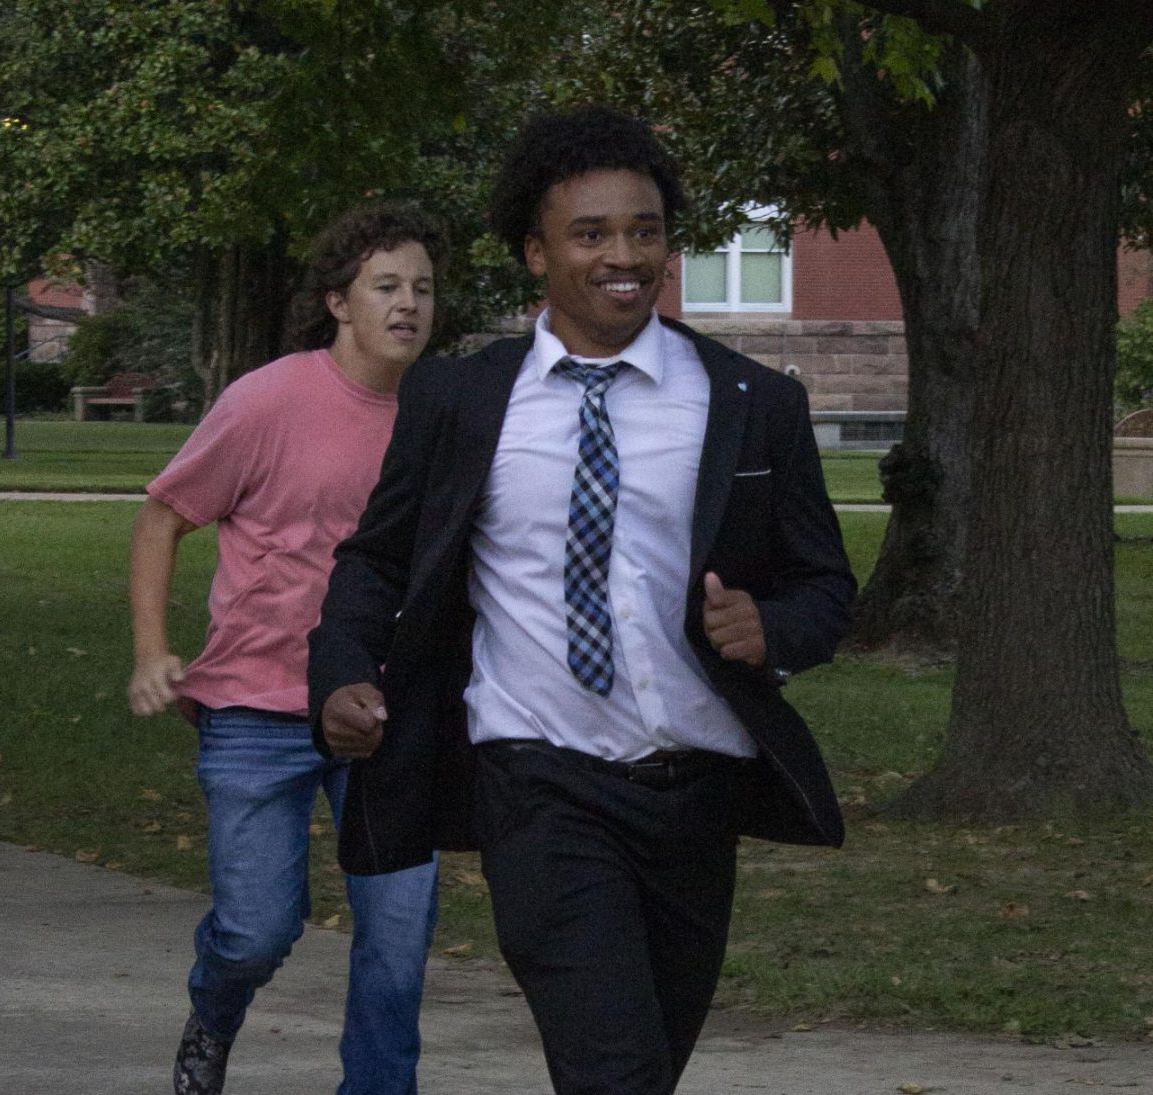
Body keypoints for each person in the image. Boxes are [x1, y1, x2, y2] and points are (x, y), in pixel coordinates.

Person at [308, 106, 856, 1095]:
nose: (625, 256)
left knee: (643, 1067)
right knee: (614, 1074)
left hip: (698, 791)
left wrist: (771, 630)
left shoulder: (747, 401)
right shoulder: (464, 400)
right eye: (592, 233)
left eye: (644, 231)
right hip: (539, 785)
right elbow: (374, 563)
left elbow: (826, 586)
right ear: (535, 250)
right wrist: (344, 672)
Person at [127, 205, 447, 1095]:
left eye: (423, 288)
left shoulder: (442, 412)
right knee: (256, 930)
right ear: (341, 301)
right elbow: (164, 515)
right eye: (388, 286)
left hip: (386, 711)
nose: (409, 304)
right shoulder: (269, 399)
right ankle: (214, 1011)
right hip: (256, 705)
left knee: (397, 938)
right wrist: (154, 649)